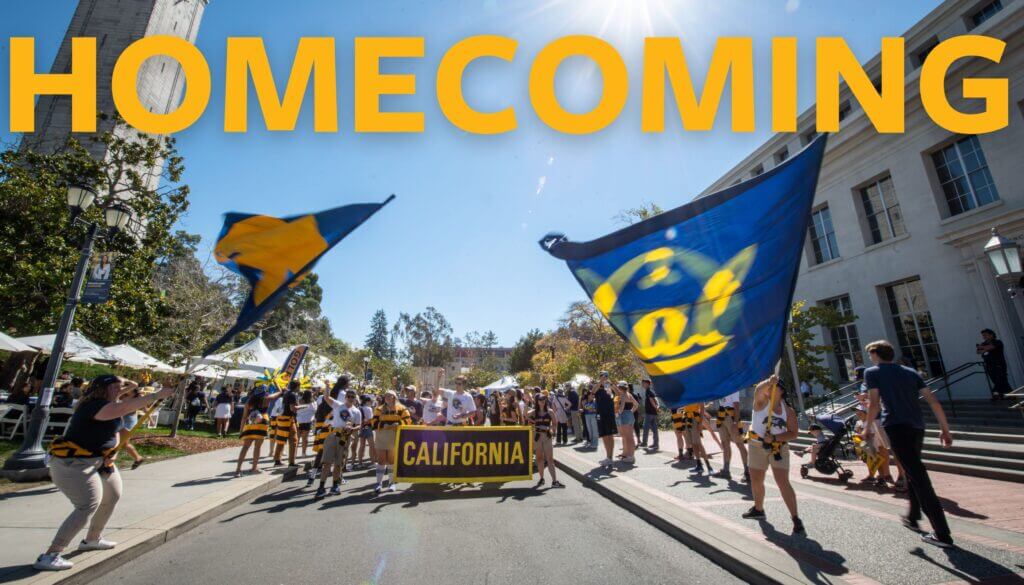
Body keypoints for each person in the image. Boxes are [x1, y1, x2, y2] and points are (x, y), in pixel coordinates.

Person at [35, 376, 173, 571]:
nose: (120, 389)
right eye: (115, 387)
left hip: (101, 461)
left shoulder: (110, 402)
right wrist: (157, 395)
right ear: (103, 389)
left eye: (120, 386)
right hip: (75, 463)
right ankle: (50, 555)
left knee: (112, 496)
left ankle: (92, 539)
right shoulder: (95, 405)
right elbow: (123, 409)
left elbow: (124, 408)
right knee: (87, 505)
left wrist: (112, 453)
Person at [862, 339, 954, 548]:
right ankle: (913, 516)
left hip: (896, 426)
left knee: (918, 475)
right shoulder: (911, 372)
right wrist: (945, 428)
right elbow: (933, 400)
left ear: (876, 354)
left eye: (870, 354)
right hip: (917, 427)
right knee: (913, 470)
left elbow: (874, 403)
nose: (870, 358)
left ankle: (942, 533)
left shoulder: (873, 372)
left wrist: (867, 427)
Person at [742, 375, 804, 535]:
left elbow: (793, 433)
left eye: (772, 388)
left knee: (782, 481)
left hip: (778, 448)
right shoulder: (761, 403)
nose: (768, 390)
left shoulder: (788, 411)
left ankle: (796, 518)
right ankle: (758, 508)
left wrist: (775, 438)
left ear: (781, 391)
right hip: (757, 446)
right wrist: (768, 382)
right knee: (756, 479)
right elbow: (758, 390)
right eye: (769, 388)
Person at [316, 382, 362, 498]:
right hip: (333, 435)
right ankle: (321, 487)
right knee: (327, 462)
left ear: (355, 398)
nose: (351, 398)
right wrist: (327, 386)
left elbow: (359, 425)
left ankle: (335, 485)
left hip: (344, 438)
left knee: (338, 464)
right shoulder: (338, 405)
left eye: (353, 396)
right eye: (349, 396)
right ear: (345, 397)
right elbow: (326, 397)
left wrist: (352, 428)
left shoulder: (357, 411)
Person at [371, 390, 412, 494]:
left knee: (391, 461)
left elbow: (408, 421)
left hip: (395, 436)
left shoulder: (402, 408)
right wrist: (382, 425)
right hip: (382, 436)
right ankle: (378, 483)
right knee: (381, 461)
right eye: (386, 396)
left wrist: (398, 424)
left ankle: (391, 483)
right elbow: (374, 422)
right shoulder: (379, 409)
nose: (387, 397)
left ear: (394, 397)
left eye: (389, 396)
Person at [235, 385, 281, 476]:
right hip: (262, 424)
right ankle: (254, 468)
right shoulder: (266, 399)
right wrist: (277, 384)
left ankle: (238, 470)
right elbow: (279, 392)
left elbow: (244, 417)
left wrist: (241, 430)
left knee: (245, 447)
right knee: (257, 447)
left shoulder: (249, 401)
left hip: (250, 424)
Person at [526, 392, 564, 488]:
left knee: (550, 459)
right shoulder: (534, 411)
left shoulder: (550, 411)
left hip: (547, 437)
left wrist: (551, 429)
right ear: (537, 401)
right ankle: (541, 478)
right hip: (538, 437)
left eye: (544, 400)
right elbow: (525, 414)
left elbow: (555, 423)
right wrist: (528, 401)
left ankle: (554, 481)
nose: (542, 402)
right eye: (540, 400)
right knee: (539, 458)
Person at [713, 390, 749, 482]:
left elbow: (736, 406)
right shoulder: (722, 386)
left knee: (739, 444)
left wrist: (735, 423)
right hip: (721, 416)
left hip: (731, 417)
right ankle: (726, 470)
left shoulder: (733, 387)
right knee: (725, 444)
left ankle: (747, 472)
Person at [271, 380, 301, 467]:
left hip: (282, 418)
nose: (300, 388)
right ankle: (292, 462)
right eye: (299, 386)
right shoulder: (293, 394)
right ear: (297, 386)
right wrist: (303, 406)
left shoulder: (287, 393)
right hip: (289, 420)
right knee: (294, 441)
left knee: (281, 440)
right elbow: (293, 408)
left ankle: (277, 460)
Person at [977, 328, 1012, 401]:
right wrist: (985, 348)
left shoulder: (997, 342)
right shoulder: (984, 343)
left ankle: (995, 394)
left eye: (985, 335)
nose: (984, 337)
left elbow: (992, 347)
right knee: (1001, 381)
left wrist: (983, 348)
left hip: (999, 365)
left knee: (998, 381)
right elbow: (978, 352)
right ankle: (1010, 395)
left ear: (991, 335)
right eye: (983, 335)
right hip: (989, 366)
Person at [118, 385, 146, 470]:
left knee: (123, 443)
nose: (126, 389)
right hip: (120, 419)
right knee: (121, 443)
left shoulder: (137, 398)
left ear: (134, 391)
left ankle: (138, 458)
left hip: (129, 421)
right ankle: (138, 458)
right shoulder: (123, 395)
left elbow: (145, 408)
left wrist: (150, 419)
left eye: (129, 389)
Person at [594, 373, 617, 466]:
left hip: (609, 414)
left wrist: (611, 385)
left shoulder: (610, 388)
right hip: (600, 414)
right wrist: (600, 382)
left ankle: (610, 457)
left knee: (610, 435)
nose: (604, 378)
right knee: (604, 435)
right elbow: (592, 393)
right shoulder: (598, 388)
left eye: (606, 377)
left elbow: (619, 394)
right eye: (602, 377)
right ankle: (608, 457)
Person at [613, 381, 637, 464]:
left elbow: (622, 406)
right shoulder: (629, 394)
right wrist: (630, 412)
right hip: (630, 415)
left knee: (627, 437)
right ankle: (628, 454)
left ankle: (631, 457)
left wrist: (617, 413)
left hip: (624, 416)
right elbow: (636, 404)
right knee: (629, 437)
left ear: (620, 387)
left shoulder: (622, 395)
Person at [640, 379, 660, 451]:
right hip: (653, 413)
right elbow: (655, 398)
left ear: (647, 384)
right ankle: (656, 444)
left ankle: (644, 443)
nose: (642, 385)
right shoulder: (651, 391)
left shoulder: (648, 391)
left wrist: (656, 407)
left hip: (649, 413)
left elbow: (652, 400)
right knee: (654, 429)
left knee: (645, 427)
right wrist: (657, 406)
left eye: (643, 383)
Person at [296, 390, 317, 458]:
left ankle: (294, 453)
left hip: (298, 421)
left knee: (297, 438)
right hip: (307, 422)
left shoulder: (299, 400)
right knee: (305, 438)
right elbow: (315, 410)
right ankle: (303, 453)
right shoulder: (313, 402)